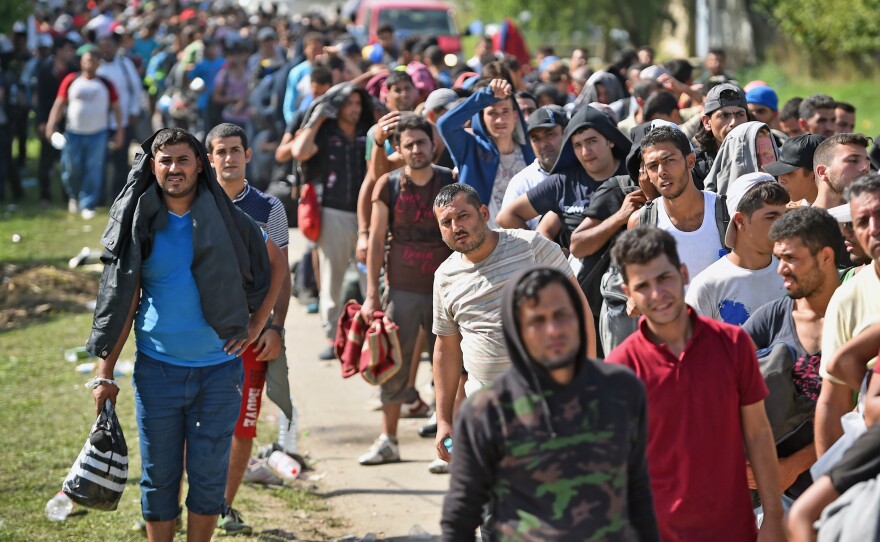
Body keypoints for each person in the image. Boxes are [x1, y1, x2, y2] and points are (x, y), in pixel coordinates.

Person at [86, 127, 277, 542]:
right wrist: (105, 372)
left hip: (219, 372)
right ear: (152, 166)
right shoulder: (142, 223)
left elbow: (276, 264)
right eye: (165, 160)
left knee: (208, 476)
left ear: (199, 165)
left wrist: (258, 323)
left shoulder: (228, 219)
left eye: (183, 160)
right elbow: (122, 301)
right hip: (158, 372)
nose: (174, 168)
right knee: (159, 476)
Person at [441, 267, 659, 541]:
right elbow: (460, 516)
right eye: (537, 321)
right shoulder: (487, 412)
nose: (553, 330)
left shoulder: (622, 391)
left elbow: (639, 492)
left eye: (561, 315)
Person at [605, 226, 785, 542]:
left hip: (734, 529)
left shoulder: (733, 344)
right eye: (643, 286)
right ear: (628, 292)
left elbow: (758, 433)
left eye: (664, 278)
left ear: (684, 272)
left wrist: (773, 515)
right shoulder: (620, 369)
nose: (657, 294)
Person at [431, 183, 596, 465]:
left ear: (484, 213)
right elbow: (446, 349)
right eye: (446, 222)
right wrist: (444, 420)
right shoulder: (445, 277)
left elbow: (579, 314)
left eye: (463, 216)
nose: (456, 226)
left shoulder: (532, 248)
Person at [205, 123, 292, 534]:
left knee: (244, 425)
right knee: (197, 424)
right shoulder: (196, 202)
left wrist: (276, 327)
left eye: (235, 150)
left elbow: (282, 272)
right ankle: (194, 500)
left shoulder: (269, 207)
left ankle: (224, 504)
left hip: (254, 335)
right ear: (210, 158)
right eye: (220, 151)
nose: (228, 158)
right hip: (203, 335)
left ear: (247, 155)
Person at [357, 114, 455, 465]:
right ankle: (388, 439)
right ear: (397, 149)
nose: (416, 150)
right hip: (399, 288)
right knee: (393, 366)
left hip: (445, 293)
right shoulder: (388, 184)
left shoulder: (450, 182)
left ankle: (449, 447)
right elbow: (377, 239)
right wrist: (371, 292)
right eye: (408, 144)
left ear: (433, 145)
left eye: (421, 142)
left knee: (447, 368)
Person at [744, 206, 844, 502]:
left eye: (791, 258)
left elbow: (862, 416)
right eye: (778, 258)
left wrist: (794, 464)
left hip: (846, 492)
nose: (780, 269)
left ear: (826, 257)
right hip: (781, 500)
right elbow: (722, 386)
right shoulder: (769, 320)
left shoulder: (858, 319)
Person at [292, 83, 374, 359]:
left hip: (369, 217)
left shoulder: (369, 132)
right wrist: (318, 118)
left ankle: (375, 337)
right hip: (333, 214)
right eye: (348, 103)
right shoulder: (325, 134)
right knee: (332, 280)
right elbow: (300, 151)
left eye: (357, 103)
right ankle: (333, 337)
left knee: (370, 280)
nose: (354, 109)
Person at [496, 105, 630, 244]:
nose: (585, 152)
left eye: (592, 141)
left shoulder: (634, 174)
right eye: (578, 145)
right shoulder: (563, 182)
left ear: (610, 140)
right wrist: (551, 254)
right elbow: (506, 217)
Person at [815, 173, 880, 457]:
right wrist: (831, 476)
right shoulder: (845, 299)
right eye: (863, 222)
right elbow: (833, 400)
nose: (874, 228)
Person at [686, 174, 789, 325]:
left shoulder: (793, 275)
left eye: (784, 216)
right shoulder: (707, 286)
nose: (782, 225)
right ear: (740, 220)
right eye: (771, 217)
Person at [628, 126, 726, 279]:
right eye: (653, 166)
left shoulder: (725, 212)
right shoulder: (640, 222)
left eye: (669, 160)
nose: (662, 171)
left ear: (691, 161)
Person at [437, 78, 534, 225]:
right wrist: (485, 96)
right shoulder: (471, 149)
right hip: (485, 239)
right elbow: (445, 124)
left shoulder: (531, 149)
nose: (500, 120)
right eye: (492, 113)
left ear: (515, 116)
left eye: (505, 111)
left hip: (530, 238)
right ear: (482, 117)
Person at [45, 46, 124, 219]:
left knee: (94, 169)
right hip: (73, 133)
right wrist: (51, 125)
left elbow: (117, 108)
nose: (90, 63)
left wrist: (119, 131)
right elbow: (59, 104)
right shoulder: (71, 80)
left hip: (98, 134)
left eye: (94, 60)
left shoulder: (105, 83)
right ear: (81, 62)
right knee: (71, 169)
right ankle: (74, 196)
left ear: (98, 64)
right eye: (87, 60)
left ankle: (88, 203)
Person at [500, 106, 567, 230]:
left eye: (550, 134)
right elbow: (506, 225)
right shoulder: (521, 182)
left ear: (565, 132)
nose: (543, 144)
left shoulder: (584, 169)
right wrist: (541, 247)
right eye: (536, 139)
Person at [34, 36, 77, 204]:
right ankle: (44, 194)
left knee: (68, 161)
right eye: (68, 49)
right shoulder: (45, 70)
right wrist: (42, 122)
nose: (71, 53)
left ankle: (68, 195)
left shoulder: (74, 70)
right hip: (48, 120)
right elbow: (40, 99)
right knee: (46, 159)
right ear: (58, 51)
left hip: (69, 122)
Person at [693, 83, 750, 187]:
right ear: (707, 122)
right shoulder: (694, 166)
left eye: (740, 114)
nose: (733, 122)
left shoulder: (763, 155)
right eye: (724, 115)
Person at [704, 120, 779, 195]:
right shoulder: (711, 204)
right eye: (754, 156)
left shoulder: (788, 198)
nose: (762, 163)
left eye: (768, 154)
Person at [811, 133, 871, 210]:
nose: (865, 168)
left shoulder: (872, 220)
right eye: (854, 160)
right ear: (822, 172)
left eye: (868, 163)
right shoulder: (802, 221)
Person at [762, 134, 826, 205]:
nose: (781, 180)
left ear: (815, 174)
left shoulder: (837, 212)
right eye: (779, 172)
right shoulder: (784, 210)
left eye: (789, 173)